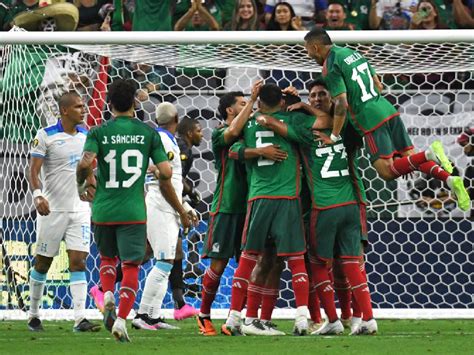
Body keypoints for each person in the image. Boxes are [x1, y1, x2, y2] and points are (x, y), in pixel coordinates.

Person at [303, 28, 471, 212]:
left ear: (315, 47)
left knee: (386, 172)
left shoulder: (331, 65)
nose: (308, 55)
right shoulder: (353, 52)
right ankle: (449, 179)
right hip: (387, 109)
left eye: (308, 50)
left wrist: (333, 136)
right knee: (409, 158)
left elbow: (342, 102)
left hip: (370, 119)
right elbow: (378, 84)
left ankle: (429, 153)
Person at [76, 79, 191, 342]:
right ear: (135, 104)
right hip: (134, 210)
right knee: (131, 265)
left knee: (107, 259)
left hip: (103, 209)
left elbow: (85, 164)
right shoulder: (148, 134)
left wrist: (82, 183)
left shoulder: (98, 132)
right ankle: (121, 321)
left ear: (109, 103)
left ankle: (106, 295)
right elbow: (164, 172)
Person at [257, 91, 377, 336]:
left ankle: (331, 319)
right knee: (352, 262)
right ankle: (368, 318)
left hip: (323, 207)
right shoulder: (341, 132)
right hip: (350, 206)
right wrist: (305, 106)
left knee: (316, 262)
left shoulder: (304, 134)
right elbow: (332, 113)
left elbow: (275, 124)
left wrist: (263, 116)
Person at [223, 83, 310, 336]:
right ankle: (302, 319)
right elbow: (309, 126)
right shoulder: (292, 121)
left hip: (258, 198)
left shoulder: (248, 124)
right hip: (287, 199)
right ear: (282, 102)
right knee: (295, 260)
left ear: (258, 101)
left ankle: (234, 317)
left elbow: (233, 150)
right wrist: (297, 100)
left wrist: (254, 150)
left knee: (249, 258)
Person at [27, 91, 100, 333]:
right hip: (53, 210)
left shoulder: (87, 136)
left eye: (84, 105)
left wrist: (92, 185)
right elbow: (33, 171)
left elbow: (89, 169)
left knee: (78, 262)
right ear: (65, 110)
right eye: (79, 107)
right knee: (43, 263)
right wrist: (38, 195)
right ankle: (34, 314)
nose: (84, 110)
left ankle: (80, 318)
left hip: (79, 209)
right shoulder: (45, 135)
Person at [132, 102, 198, 330]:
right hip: (160, 206)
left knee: (166, 261)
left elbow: (169, 180)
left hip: (165, 205)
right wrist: (181, 210)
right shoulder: (164, 141)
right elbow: (163, 181)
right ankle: (142, 315)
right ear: (176, 119)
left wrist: (184, 206)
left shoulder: (160, 138)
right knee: (163, 260)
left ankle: (154, 315)